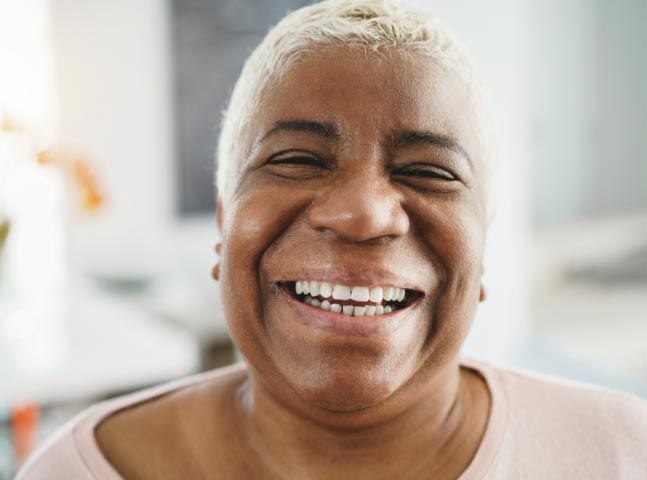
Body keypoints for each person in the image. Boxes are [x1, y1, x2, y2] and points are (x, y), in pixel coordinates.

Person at [17, 1, 647, 478]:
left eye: (427, 171)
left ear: (481, 252)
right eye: (297, 159)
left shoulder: (619, 454)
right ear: (223, 227)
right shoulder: (74, 472)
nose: (363, 213)